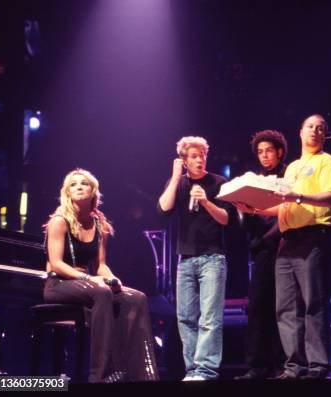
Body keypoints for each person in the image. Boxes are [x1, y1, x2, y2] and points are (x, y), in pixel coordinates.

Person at [244, 114, 331, 379]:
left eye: (321, 128)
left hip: (313, 237)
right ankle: (293, 365)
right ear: (300, 132)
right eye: (310, 126)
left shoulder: (327, 160)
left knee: (314, 304)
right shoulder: (292, 168)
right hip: (287, 242)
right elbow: (284, 205)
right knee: (285, 307)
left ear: (324, 135)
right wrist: (254, 208)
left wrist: (297, 195)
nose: (315, 131)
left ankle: (318, 365)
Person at [44, 168, 158, 383]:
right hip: (59, 284)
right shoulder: (59, 221)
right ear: (67, 192)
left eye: (83, 183)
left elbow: (101, 265)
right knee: (102, 292)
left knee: (137, 297)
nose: (78, 187)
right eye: (73, 184)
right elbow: (57, 264)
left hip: (89, 284)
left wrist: (114, 279)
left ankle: (143, 375)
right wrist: (90, 279)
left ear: (93, 191)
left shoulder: (99, 224)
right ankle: (100, 376)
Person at [158, 136, 235, 381]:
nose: (200, 159)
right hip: (185, 259)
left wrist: (205, 201)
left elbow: (226, 219)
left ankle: (206, 370)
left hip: (213, 258)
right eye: (193, 156)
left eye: (202, 155)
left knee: (210, 318)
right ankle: (192, 370)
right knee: (185, 318)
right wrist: (174, 176)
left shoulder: (219, 182)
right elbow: (163, 208)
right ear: (184, 160)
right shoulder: (178, 184)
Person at [233, 130, 288, 379]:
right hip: (261, 251)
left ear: (279, 152)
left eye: (269, 151)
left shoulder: (290, 174)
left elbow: (288, 211)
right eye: (260, 152)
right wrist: (242, 210)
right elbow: (247, 224)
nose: (264, 156)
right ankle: (257, 366)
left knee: (283, 308)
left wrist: (269, 237)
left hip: (285, 246)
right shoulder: (254, 180)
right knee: (258, 307)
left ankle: (283, 365)